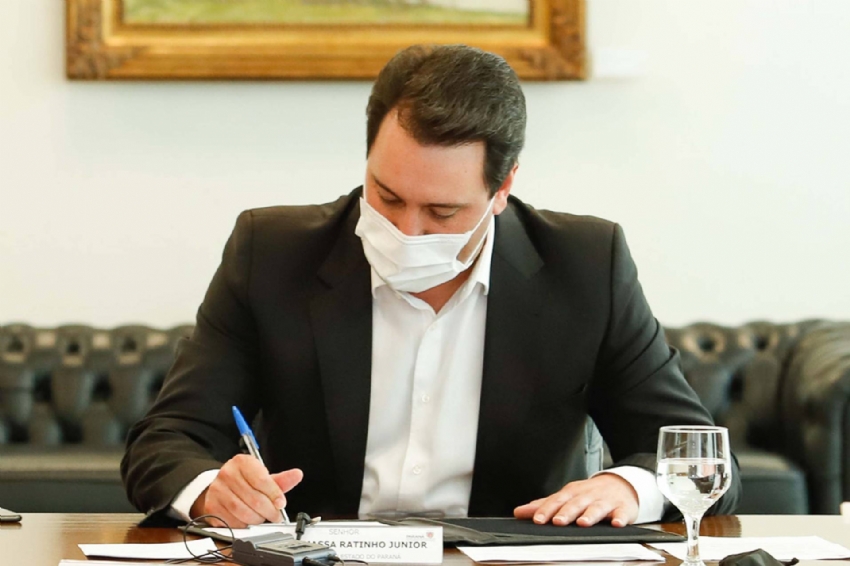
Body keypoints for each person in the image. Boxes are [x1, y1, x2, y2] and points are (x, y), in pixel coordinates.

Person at [121, 44, 741, 529]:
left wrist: (627, 486)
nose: (406, 230)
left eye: (442, 212)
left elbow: (706, 461)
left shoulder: (585, 265)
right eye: (387, 196)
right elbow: (166, 440)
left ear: (503, 187)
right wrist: (210, 491)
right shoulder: (273, 252)